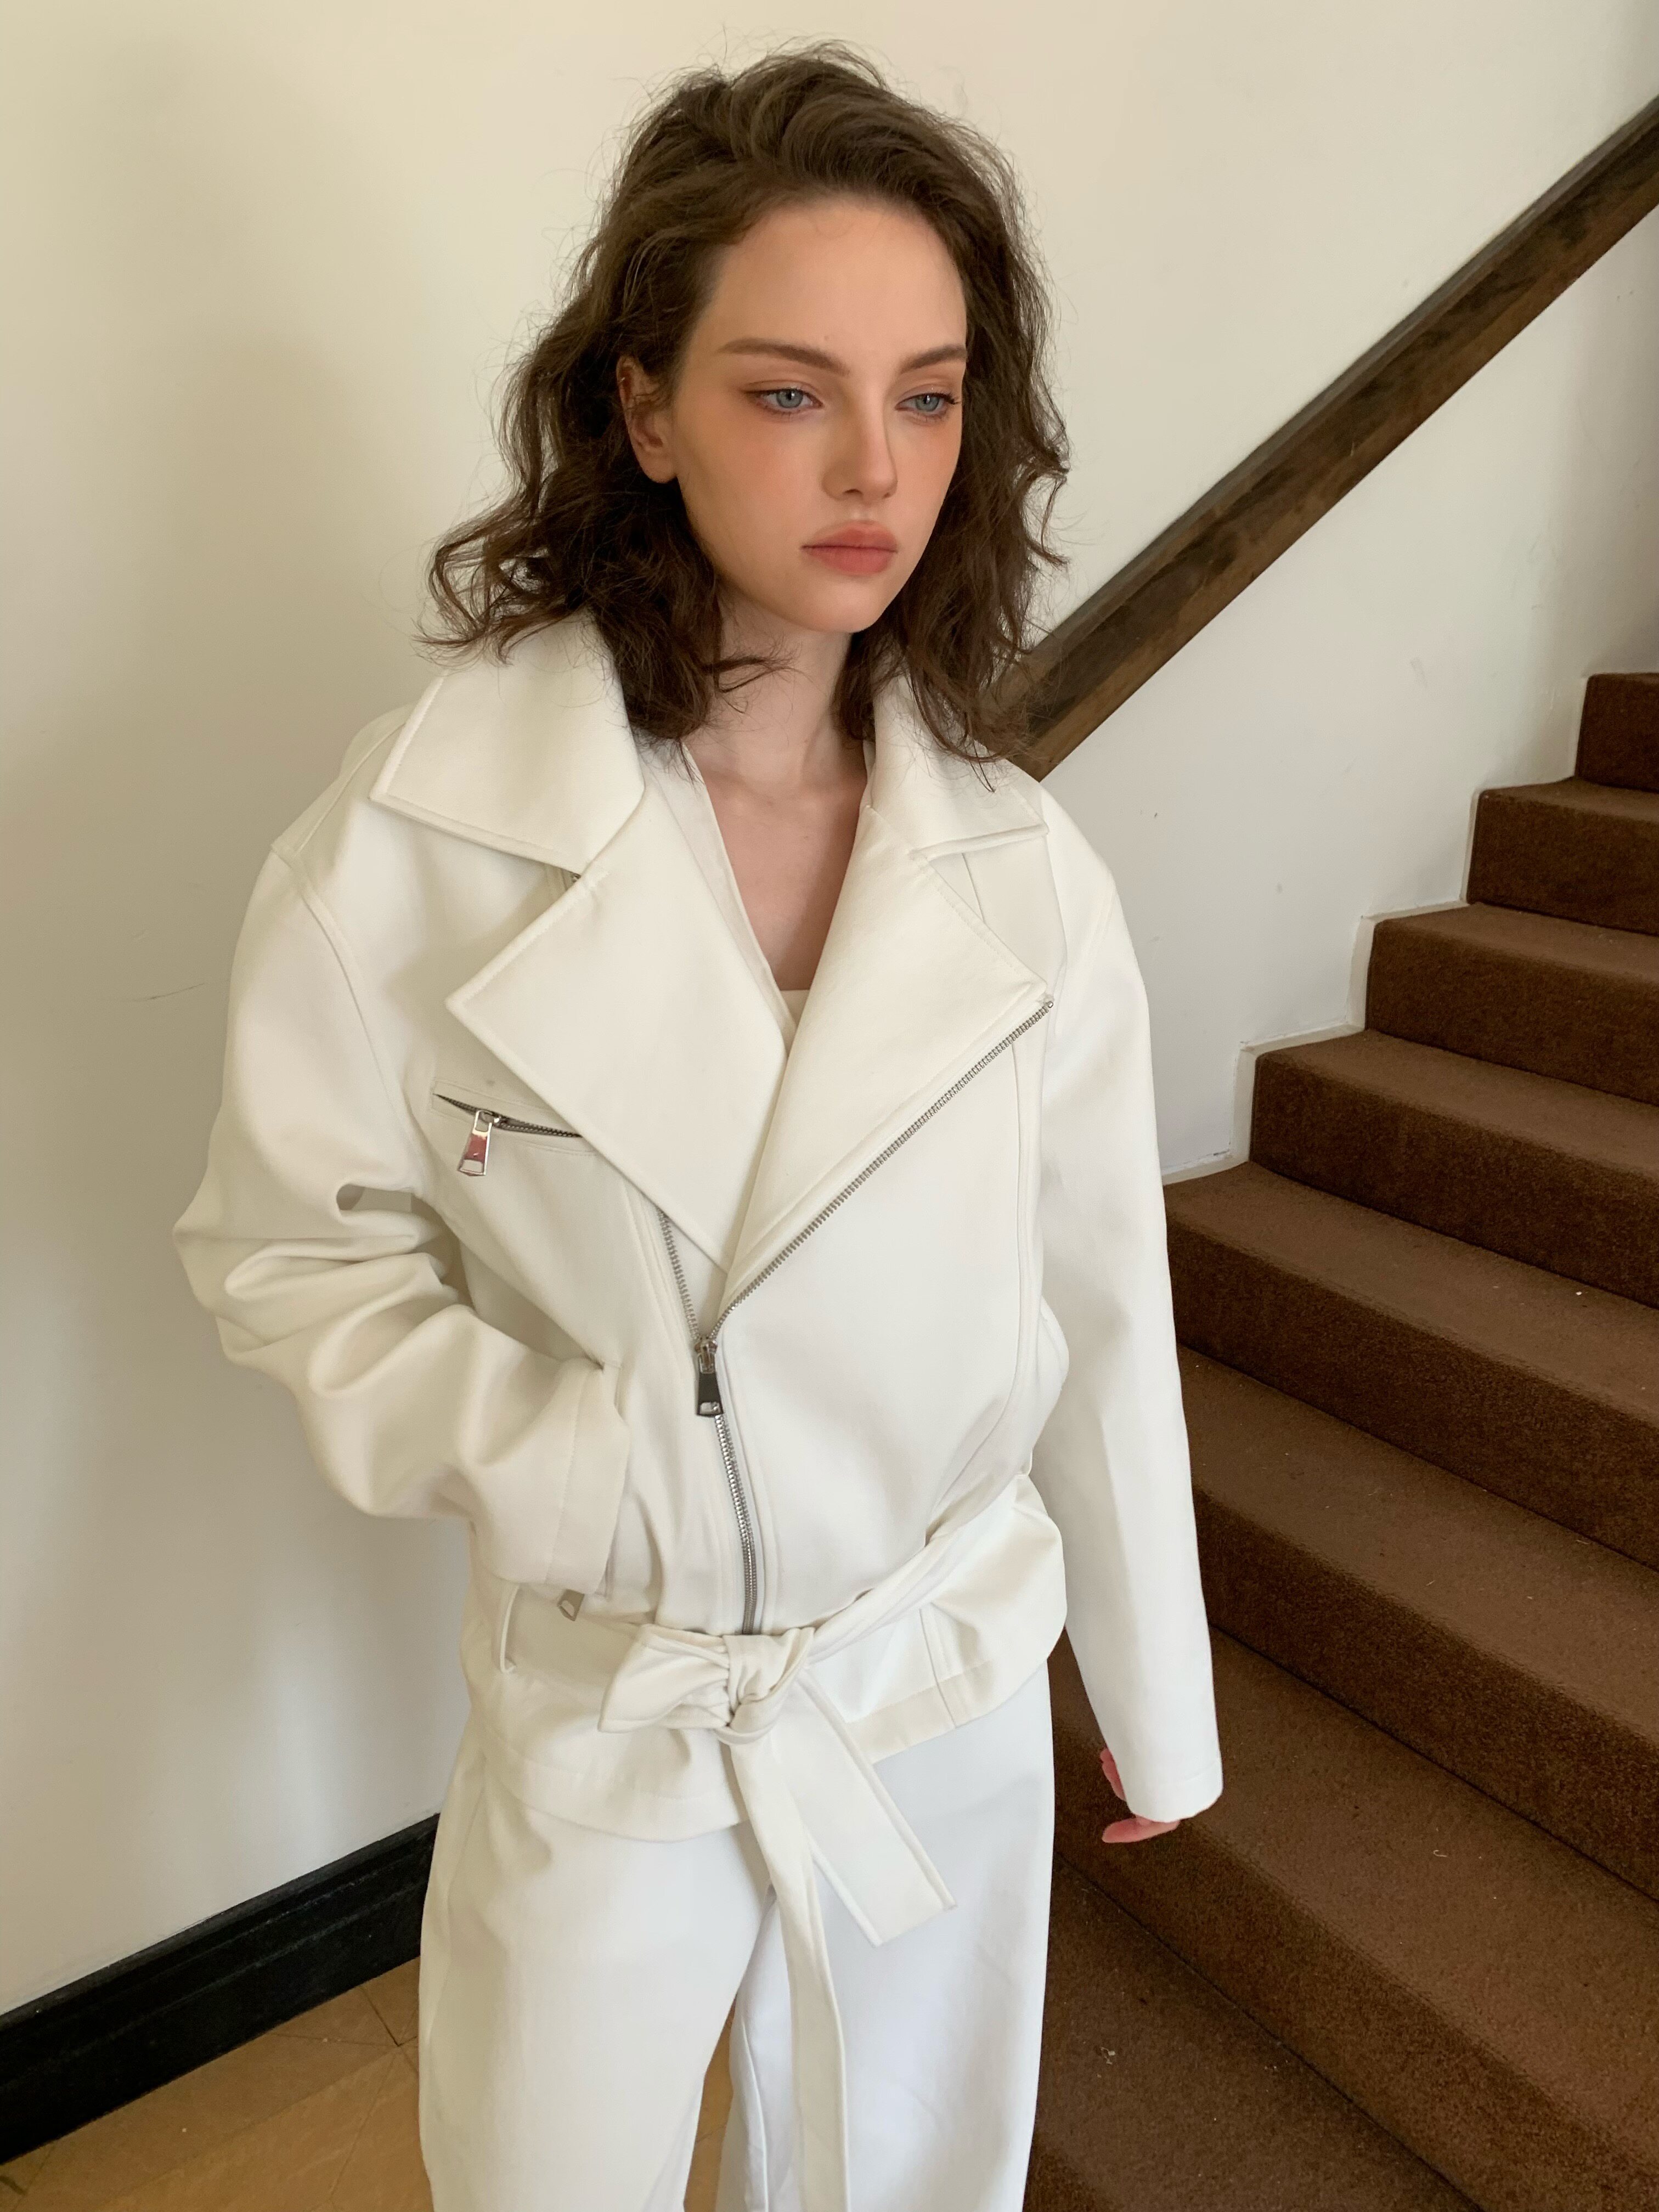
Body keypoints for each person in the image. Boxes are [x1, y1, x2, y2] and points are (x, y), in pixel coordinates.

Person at [173, 43, 1222, 2212]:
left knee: (905, 2186)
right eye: (788, 391)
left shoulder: (1019, 872)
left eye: (928, 395)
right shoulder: (420, 845)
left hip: (932, 1687)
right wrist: (584, 1467)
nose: (874, 467)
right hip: (616, 1703)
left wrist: (1152, 1686)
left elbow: (1099, 1303)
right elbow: (290, 1251)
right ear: (643, 409)